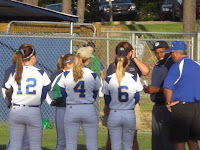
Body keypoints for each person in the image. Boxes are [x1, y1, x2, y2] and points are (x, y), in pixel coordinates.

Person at [104, 42, 150, 150]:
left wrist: (135, 58)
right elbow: (137, 96)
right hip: (129, 110)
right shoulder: (132, 77)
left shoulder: (112, 76)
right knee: (127, 144)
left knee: (118, 143)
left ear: (131, 52)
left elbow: (106, 95)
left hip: (115, 109)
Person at [4, 44, 51, 150]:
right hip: (33, 111)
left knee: (14, 145)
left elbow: (7, 90)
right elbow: (45, 90)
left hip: (16, 109)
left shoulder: (15, 72)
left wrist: (10, 100)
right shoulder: (40, 72)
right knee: (35, 146)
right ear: (33, 57)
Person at [58, 47, 101, 150]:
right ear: (87, 59)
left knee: (71, 145)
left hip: (72, 108)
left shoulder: (66, 74)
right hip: (88, 108)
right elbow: (95, 93)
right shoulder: (92, 74)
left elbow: (63, 92)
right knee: (92, 145)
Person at [163, 41, 200, 150]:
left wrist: (168, 102)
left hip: (182, 107)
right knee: (193, 141)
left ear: (176, 53)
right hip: (197, 107)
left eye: (171, 53)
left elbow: (167, 87)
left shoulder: (177, 66)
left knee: (179, 141)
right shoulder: (197, 64)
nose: (171, 56)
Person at [143, 41, 175, 150]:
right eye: (156, 53)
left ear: (168, 50)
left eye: (162, 52)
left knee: (168, 141)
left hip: (168, 106)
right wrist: (149, 89)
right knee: (157, 141)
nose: (159, 55)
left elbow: (174, 87)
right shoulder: (157, 66)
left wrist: (156, 89)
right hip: (157, 106)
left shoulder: (172, 65)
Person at [48, 54, 75, 150]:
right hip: (62, 108)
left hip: (73, 108)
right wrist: (50, 101)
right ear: (68, 64)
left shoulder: (75, 74)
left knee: (71, 141)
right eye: (74, 62)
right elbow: (44, 89)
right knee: (62, 141)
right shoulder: (57, 75)